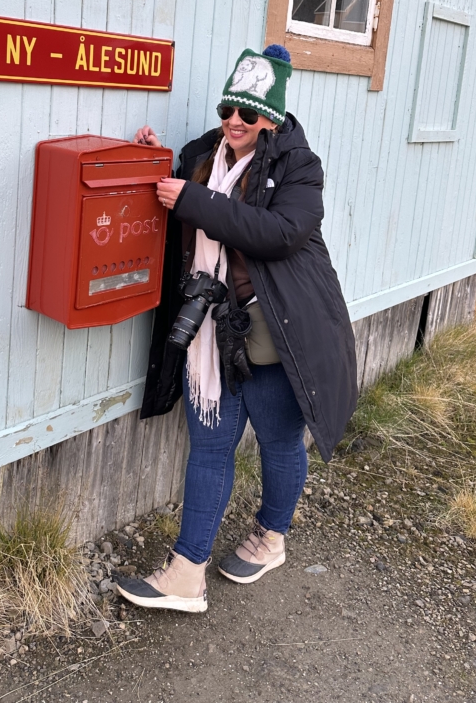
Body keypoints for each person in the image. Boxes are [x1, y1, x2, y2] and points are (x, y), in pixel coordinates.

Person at [115, 45, 357, 613]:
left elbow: (280, 232)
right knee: (210, 445)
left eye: (247, 114)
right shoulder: (207, 152)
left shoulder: (300, 165)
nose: (234, 122)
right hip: (211, 329)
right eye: (228, 108)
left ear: (270, 116)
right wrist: (155, 160)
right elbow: (179, 188)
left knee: (276, 438)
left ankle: (272, 537)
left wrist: (196, 200)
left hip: (278, 329)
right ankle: (186, 573)